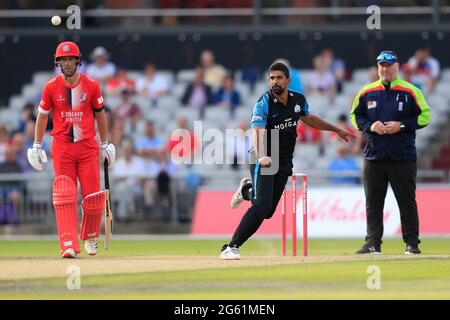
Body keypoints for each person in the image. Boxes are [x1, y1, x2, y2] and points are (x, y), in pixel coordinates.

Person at [220, 62, 356, 260]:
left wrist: (336, 129)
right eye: (271, 78)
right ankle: (230, 247)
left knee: (268, 212)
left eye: (278, 77)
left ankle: (246, 191)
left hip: (284, 159)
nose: (274, 81)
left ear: (288, 80)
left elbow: (308, 119)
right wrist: (261, 156)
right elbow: (257, 132)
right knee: (261, 208)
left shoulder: (298, 99)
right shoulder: (263, 102)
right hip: (264, 156)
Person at [27, 41, 116, 259]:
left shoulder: (92, 85)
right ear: (58, 63)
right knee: (65, 194)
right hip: (63, 147)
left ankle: (91, 235)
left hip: (87, 147)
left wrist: (104, 143)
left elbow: (100, 115)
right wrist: (37, 145)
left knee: (93, 196)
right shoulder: (50, 86)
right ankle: (68, 243)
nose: (67, 64)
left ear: (78, 61)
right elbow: (42, 116)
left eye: (70, 59)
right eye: (63, 60)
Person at [350, 50, 430, 255]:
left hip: (402, 156)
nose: (385, 69)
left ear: (397, 66)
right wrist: (371, 126)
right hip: (374, 156)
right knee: (373, 202)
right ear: (378, 68)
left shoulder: (410, 91)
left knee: (406, 201)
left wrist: (401, 125)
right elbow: (354, 116)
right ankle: (372, 242)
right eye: (381, 65)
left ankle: (412, 243)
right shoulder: (367, 91)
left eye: (389, 65)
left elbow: (425, 116)